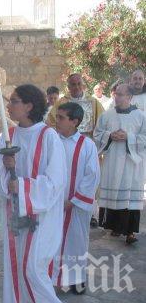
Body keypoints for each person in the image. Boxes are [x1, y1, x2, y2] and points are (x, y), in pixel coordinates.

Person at [0, 84, 66, 303]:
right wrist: (5, 168)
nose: (9, 105)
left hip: (41, 218)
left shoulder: (49, 137)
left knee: (32, 271)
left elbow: (56, 182)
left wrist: (21, 186)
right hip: (15, 217)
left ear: (29, 106)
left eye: (14, 101)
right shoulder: (9, 135)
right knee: (16, 269)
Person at [50, 102, 100, 295]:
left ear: (75, 121)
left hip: (76, 205)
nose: (57, 121)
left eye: (61, 118)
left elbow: (92, 175)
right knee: (52, 241)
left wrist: (74, 200)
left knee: (76, 242)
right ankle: (52, 278)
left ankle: (76, 280)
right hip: (54, 204)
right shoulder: (51, 140)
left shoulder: (87, 145)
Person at [94, 83, 146, 245]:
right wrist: (109, 136)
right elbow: (97, 134)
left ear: (129, 97)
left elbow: (144, 138)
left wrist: (128, 137)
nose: (116, 97)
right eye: (116, 94)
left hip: (132, 164)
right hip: (112, 162)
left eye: (121, 94)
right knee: (114, 192)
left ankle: (130, 232)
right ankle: (115, 227)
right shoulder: (107, 115)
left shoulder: (141, 116)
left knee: (129, 196)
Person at [46, 73, 105, 138]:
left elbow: (103, 120)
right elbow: (51, 122)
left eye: (79, 84)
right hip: (67, 138)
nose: (77, 87)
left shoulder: (93, 102)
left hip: (87, 138)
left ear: (83, 85)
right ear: (69, 87)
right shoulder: (61, 102)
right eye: (73, 84)